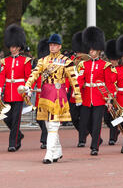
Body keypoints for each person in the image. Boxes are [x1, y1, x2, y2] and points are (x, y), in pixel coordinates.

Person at [24, 33, 82, 164]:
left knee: (53, 124)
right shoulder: (43, 60)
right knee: (48, 124)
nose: (52, 47)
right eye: (51, 45)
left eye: (55, 45)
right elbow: (34, 74)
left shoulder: (66, 62)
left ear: (60, 46)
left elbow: (74, 80)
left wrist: (78, 96)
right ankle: (58, 150)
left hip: (58, 95)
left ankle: (49, 153)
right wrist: (27, 85)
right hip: (45, 94)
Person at [77, 26, 115, 156]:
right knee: (85, 123)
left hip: (100, 97)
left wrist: (109, 99)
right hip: (87, 96)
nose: (91, 51)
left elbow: (109, 83)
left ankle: (94, 147)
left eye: (94, 49)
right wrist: (77, 90)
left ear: (98, 50)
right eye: (90, 49)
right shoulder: (83, 64)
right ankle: (96, 139)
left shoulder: (105, 65)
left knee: (97, 123)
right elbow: (80, 79)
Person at [0, 24, 32, 152]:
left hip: (19, 92)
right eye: (11, 46)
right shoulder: (5, 61)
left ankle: (12, 143)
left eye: (14, 46)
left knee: (16, 119)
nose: (12, 49)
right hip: (8, 92)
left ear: (19, 47)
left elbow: (29, 77)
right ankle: (19, 135)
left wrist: (27, 90)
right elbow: (2, 76)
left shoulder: (25, 61)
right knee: (6, 117)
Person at [103, 39, 121, 145]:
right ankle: (118, 130)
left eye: (115, 59)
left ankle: (112, 138)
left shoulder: (120, 69)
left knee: (115, 116)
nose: (113, 61)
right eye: (111, 59)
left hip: (118, 97)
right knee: (106, 118)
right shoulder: (107, 69)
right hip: (108, 97)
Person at [34, 39, 50, 149]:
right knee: (38, 118)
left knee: (45, 118)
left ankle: (45, 140)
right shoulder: (38, 67)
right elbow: (34, 78)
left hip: (49, 95)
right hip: (39, 96)